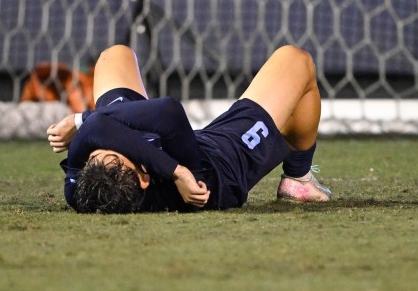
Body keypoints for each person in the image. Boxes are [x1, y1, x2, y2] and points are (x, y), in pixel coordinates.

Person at [47, 44, 331, 213]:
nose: (112, 143)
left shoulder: (81, 193)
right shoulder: (189, 183)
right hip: (221, 162)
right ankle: (298, 178)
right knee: (297, 61)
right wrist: (79, 121)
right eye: (123, 150)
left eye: (100, 151)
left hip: (168, 140)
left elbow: (98, 130)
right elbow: (167, 113)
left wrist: (90, 126)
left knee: (115, 55)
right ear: (145, 177)